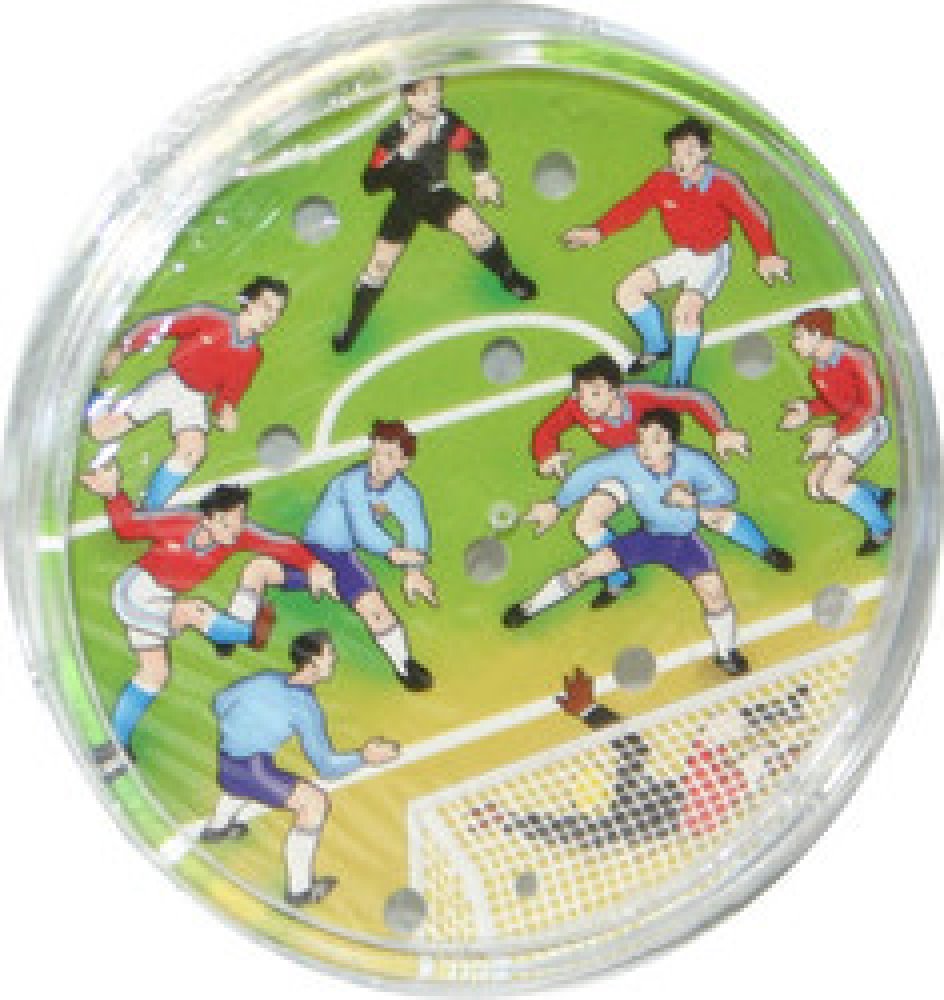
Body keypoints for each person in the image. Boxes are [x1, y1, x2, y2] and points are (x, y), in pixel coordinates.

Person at [79, 463, 336, 777]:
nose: (235, 531)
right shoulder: (179, 524)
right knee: (194, 611)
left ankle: (116, 748)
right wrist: (112, 493)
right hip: (136, 593)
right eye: (228, 524)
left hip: (162, 598)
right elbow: (128, 527)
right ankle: (234, 635)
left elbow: (279, 543)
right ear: (210, 518)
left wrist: (312, 566)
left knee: (154, 673)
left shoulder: (237, 535)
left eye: (239, 522)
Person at [532, 354, 792, 607]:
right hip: (626, 468)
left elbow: (695, 398)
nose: (585, 402)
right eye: (580, 393)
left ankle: (765, 550)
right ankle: (619, 579)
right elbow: (548, 430)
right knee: (585, 523)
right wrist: (547, 457)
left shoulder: (642, 396)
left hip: (663, 463)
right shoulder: (578, 405)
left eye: (595, 393)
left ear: (615, 390)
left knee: (710, 512)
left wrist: (720, 430)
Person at [505, 408, 749, 676]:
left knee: (714, 592)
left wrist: (692, 499)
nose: (645, 449)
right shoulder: (626, 461)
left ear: (671, 443)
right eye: (641, 439)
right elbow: (586, 473)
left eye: (655, 440)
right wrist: (557, 505)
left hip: (683, 544)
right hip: (647, 538)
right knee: (584, 571)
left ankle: (726, 653)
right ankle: (528, 608)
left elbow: (727, 490)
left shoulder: (694, 462)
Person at [563, 118, 790, 385]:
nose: (680, 161)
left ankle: (678, 382)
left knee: (685, 311)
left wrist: (766, 254)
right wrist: (598, 231)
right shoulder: (663, 180)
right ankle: (657, 346)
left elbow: (753, 215)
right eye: (675, 153)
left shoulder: (724, 183)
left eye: (689, 153)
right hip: (684, 255)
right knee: (626, 292)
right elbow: (633, 206)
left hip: (712, 257)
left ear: (705, 153)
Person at [220, 420, 438, 691]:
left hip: (340, 559)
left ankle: (404, 665)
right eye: (376, 452)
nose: (378, 462)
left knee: (377, 610)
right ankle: (230, 631)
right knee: (257, 569)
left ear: (404, 462)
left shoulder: (405, 494)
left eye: (389, 456)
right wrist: (392, 551)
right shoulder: (351, 482)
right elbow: (363, 529)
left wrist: (414, 571)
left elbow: (416, 528)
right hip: (309, 553)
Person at [333, 76, 536, 353]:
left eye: (437, 90)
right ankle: (353, 327)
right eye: (426, 91)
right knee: (379, 266)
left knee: (477, 229)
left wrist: (481, 177)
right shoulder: (392, 135)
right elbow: (372, 182)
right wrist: (406, 150)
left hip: (437, 194)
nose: (434, 97)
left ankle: (509, 275)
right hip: (406, 202)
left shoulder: (445, 123)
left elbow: (473, 144)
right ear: (409, 97)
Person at [201, 630, 399, 906]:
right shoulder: (305, 707)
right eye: (329, 653)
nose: (334, 658)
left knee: (243, 784)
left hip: (226, 763)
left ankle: (216, 830)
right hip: (252, 771)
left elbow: (219, 702)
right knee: (314, 803)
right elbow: (327, 766)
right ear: (313, 663)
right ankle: (300, 891)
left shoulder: (265, 679)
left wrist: (240, 731)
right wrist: (365, 756)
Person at [85, 277, 290, 509]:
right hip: (170, 383)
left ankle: (150, 509)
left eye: (277, 312)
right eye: (266, 307)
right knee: (101, 432)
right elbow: (163, 325)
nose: (271, 317)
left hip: (193, 399)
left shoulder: (252, 355)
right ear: (248, 302)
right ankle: (89, 398)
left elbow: (230, 393)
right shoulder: (210, 318)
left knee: (193, 451)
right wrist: (123, 348)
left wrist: (225, 412)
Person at [781, 307, 894, 554]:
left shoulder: (857, 358)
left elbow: (872, 405)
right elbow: (832, 403)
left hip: (868, 425)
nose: (793, 344)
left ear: (818, 334)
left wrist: (833, 432)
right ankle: (876, 495)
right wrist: (807, 410)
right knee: (815, 488)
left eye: (798, 337)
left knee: (831, 484)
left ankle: (883, 528)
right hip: (845, 429)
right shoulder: (817, 370)